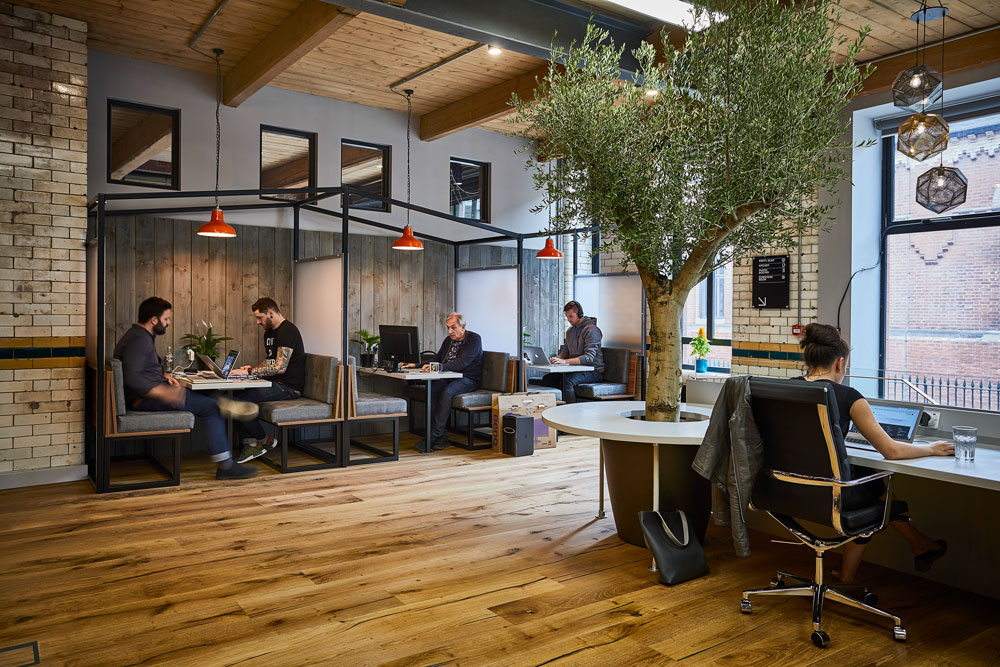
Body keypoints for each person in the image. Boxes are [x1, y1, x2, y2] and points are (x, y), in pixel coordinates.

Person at [796, 323, 953, 583]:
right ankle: (851, 575)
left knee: (869, 478)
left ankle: (920, 546)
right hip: (832, 494)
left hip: (790, 490)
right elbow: (891, 451)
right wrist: (932, 448)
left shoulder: (786, 389)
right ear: (840, 363)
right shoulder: (849, 397)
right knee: (881, 494)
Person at [113, 297, 257, 480]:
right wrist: (164, 392)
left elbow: (140, 370)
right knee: (209, 408)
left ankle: (223, 402)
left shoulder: (139, 336)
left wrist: (163, 376)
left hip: (148, 394)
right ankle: (225, 465)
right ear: (154, 320)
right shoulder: (139, 340)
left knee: (206, 394)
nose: (168, 323)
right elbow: (133, 378)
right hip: (143, 399)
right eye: (166, 319)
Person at [233, 297, 307, 463]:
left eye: (260, 318)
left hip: (288, 388)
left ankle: (263, 440)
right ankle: (252, 443)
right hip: (274, 383)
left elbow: (280, 367)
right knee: (234, 395)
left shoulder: (288, 331)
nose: (258, 322)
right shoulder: (269, 333)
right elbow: (270, 361)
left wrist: (252, 372)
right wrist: (250, 370)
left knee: (238, 401)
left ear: (271, 313)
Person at [404, 313, 482, 453]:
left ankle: (434, 435)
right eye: (448, 328)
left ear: (463, 326)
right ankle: (442, 437)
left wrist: (439, 367)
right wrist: (416, 365)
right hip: (449, 376)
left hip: (468, 378)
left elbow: (463, 362)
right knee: (433, 390)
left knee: (447, 392)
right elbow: (438, 358)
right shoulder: (448, 340)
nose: (450, 331)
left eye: (453, 327)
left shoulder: (474, 339)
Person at [538, 300, 604, 403]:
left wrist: (565, 362)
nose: (568, 319)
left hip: (593, 372)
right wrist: (558, 359)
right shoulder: (570, 331)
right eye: (567, 317)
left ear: (580, 314)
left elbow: (589, 358)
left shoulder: (592, 330)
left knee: (568, 381)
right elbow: (566, 350)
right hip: (575, 370)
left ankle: (571, 413)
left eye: (571, 316)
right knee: (548, 379)